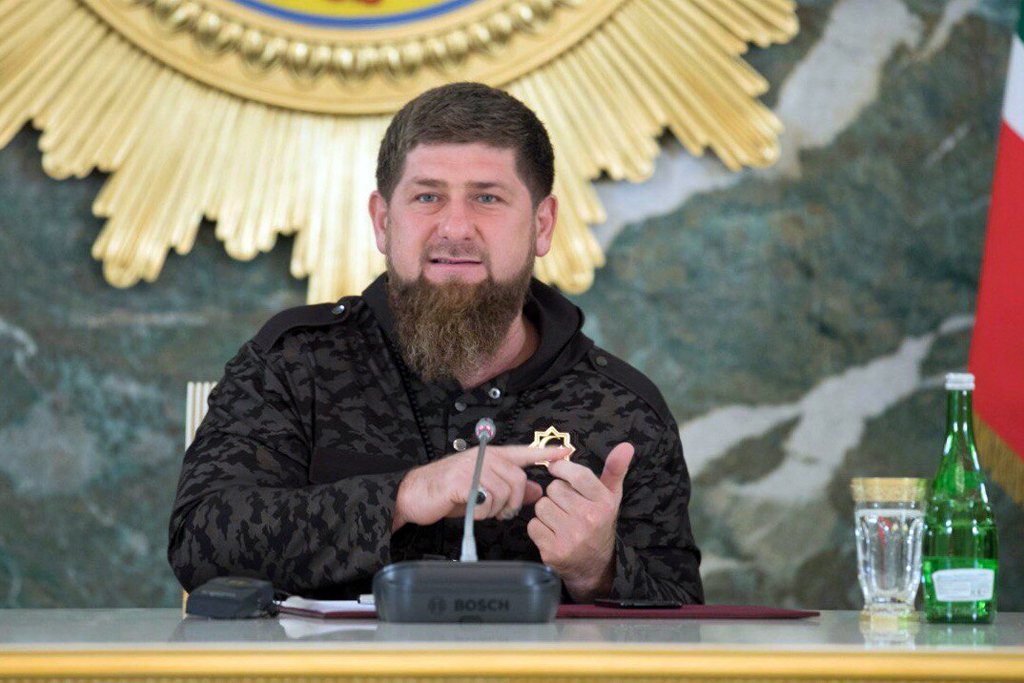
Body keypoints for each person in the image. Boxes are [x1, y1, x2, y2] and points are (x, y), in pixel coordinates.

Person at [168, 82, 703, 604]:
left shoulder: (623, 408)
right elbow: (199, 544)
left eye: (487, 198)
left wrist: (600, 571)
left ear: (542, 225)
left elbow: (687, 618)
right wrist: (402, 498)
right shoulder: (292, 364)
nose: (455, 227)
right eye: (428, 197)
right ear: (383, 221)